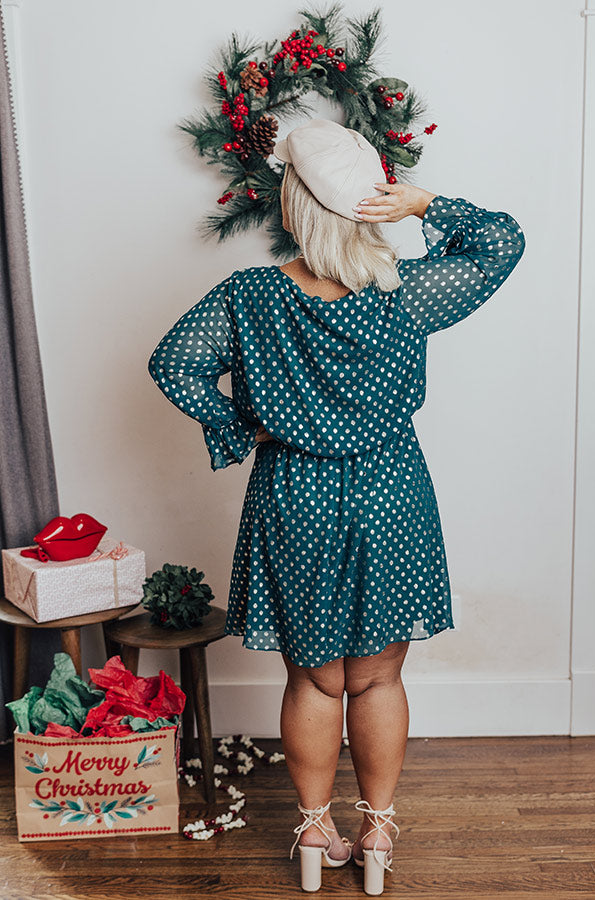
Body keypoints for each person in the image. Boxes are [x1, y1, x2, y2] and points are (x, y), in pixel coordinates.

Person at [147, 118, 526, 895]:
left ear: (294, 209)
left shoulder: (251, 296)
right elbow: (501, 241)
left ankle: (315, 830)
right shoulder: (406, 292)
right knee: (379, 680)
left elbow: (173, 363)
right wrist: (422, 203)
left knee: (315, 681)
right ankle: (378, 832)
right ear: (365, 207)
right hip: (391, 496)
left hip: (297, 497)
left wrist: (238, 425)